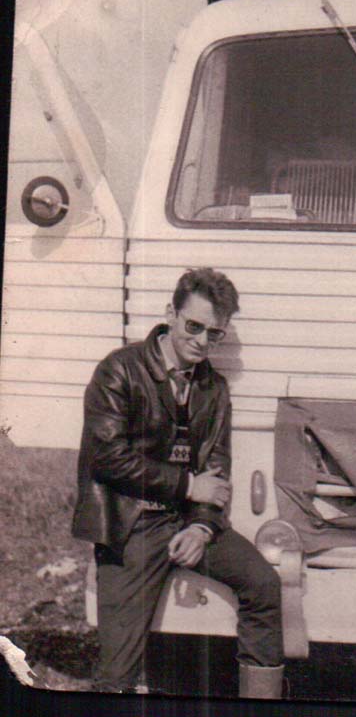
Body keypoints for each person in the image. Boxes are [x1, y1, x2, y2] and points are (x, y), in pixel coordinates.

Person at [71, 268, 284, 698]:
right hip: (130, 525)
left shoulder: (214, 388)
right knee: (117, 671)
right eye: (194, 326)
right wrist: (188, 488)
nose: (203, 341)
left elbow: (216, 466)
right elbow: (107, 458)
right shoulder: (119, 370)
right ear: (171, 313)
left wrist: (201, 527)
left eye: (215, 334)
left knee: (264, 584)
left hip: (186, 522)